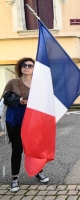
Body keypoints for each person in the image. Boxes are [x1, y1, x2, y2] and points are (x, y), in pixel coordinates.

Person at [1, 57, 49, 192]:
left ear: (34, 69)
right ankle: (15, 178)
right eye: (24, 65)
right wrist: (19, 100)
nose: (27, 67)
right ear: (20, 67)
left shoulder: (39, 84)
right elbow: (4, 99)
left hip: (34, 121)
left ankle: (38, 171)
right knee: (17, 149)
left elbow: (44, 101)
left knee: (34, 149)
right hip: (16, 120)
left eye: (30, 65)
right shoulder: (13, 83)